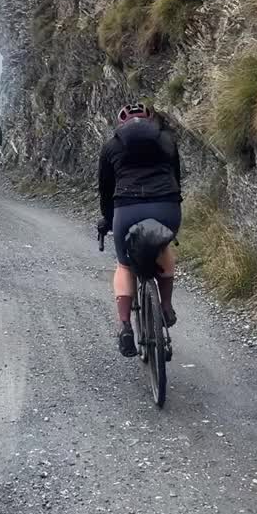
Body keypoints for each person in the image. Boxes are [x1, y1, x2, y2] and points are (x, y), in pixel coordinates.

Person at [97, 102, 182, 357]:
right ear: (150, 121)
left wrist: (107, 218)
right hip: (166, 205)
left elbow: (105, 189)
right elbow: (177, 177)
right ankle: (165, 307)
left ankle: (125, 326)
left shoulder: (111, 146)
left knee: (124, 266)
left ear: (121, 124)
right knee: (163, 246)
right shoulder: (166, 140)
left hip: (127, 207)